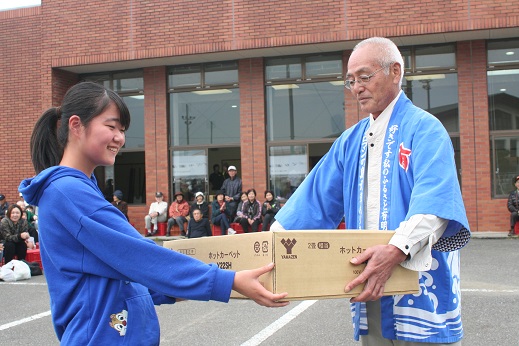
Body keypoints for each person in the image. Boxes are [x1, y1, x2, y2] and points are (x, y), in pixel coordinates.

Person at [19, 81, 288, 345]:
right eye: (111, 126)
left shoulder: (75, 189)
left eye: (122, 129)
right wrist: (226, 280)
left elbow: (121, 270)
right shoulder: (68, 191)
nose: (120, 138)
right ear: (76, 125)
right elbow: (137, 254)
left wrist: (182, 285)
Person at [272, 37, 470, 345]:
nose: (357, 87)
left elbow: (436, 203)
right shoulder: (351, 141)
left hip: (417, 282)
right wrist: (269, 248)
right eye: (350, 81)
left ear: (395, 71)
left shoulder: (425, 129)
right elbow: (313, 201)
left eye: (365, 77)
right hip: (368, 281)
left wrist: (394, 251)